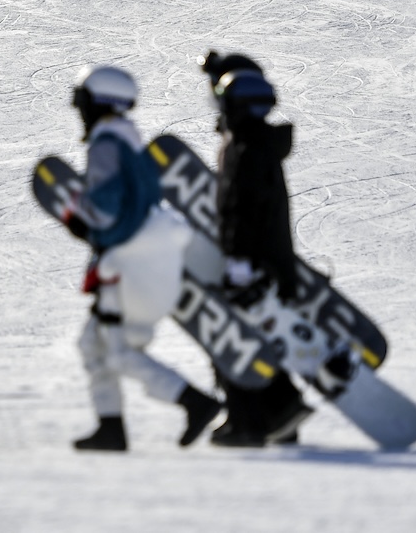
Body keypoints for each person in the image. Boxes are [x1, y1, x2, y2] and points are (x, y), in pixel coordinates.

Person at [63, 67, 224, 452]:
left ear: (98, 104)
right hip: (152, 256)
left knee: (117, 351)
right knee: (94, 345)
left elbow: (105, 206)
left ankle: (195, 402)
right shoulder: (129, 139)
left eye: (84, 101)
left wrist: (81, 220)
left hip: (130, 263)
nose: (79, 109)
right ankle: (110, 427)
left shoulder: (106, 143)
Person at [197, 52, 312, 448]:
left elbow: (239, 213)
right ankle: (282, 416)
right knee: (257, 336)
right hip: (273, 263)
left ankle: (252, 420)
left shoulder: (244, 149)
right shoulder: (259, 143)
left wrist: (241, 266)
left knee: (228, 336)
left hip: (254, 264)